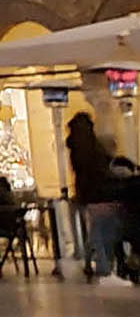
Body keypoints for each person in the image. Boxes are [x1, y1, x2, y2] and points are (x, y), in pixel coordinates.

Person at [68, 111, 121, 281]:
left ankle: (93, 262)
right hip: (101, 193)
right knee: (100, 231)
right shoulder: (95, 148)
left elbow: (80, 172)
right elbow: (103, 170)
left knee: (95, 230)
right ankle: (102, 267)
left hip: (86, 194)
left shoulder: (75, 148)